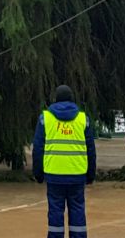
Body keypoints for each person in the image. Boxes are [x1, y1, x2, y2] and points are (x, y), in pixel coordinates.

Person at [33, 84, 95, 238]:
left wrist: (38, 173)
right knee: (77, 211)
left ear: (55, 99)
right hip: (77, 174)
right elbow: (90, 149)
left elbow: (38, 148)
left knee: (55, 212)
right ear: (72, 99)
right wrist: (91, 174)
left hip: (54, 175)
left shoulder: (45, 119)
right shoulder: (83, 119)